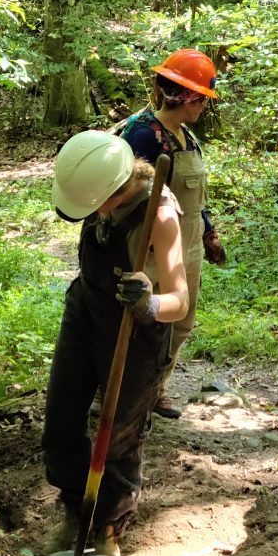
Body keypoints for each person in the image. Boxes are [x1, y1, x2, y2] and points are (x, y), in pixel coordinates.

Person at [42, 130, 191, 556]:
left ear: (114, 191)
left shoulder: (160, 217)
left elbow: (180, 301)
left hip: (135, 327)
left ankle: (107, 523)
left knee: (121, 432)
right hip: (85, 310)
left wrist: (150, 300)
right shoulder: (95, 185)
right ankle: (76, 509)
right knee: (62, 419)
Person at [120, 48, 226, 417]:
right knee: (142, 320)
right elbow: (124, 195)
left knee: (180, 321)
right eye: (202, 100)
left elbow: (194, 195)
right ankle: (118, 393)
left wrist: (209, 233)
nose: (204, 108)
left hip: (190, 242)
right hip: (152, 247)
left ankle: (155, 389)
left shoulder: (187, 137)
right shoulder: (144, 135)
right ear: (189, 97)